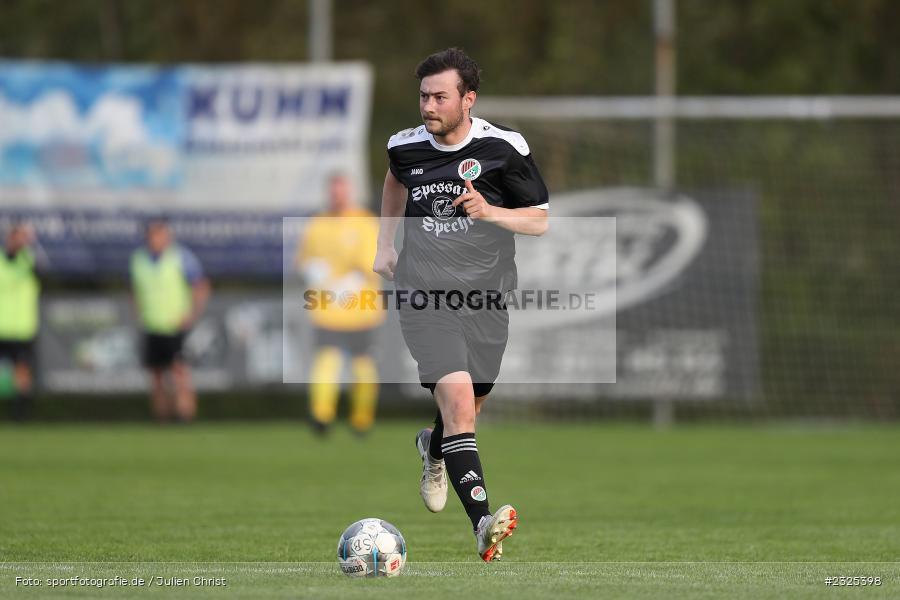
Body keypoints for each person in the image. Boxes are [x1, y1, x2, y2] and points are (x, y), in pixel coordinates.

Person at [373, 48, 549, 561]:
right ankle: (482, 526)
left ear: (467, 100)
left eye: (439, 96)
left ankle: (433, 447)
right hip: (425, 295)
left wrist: (491, 211)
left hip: (488, 299)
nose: (428, 106)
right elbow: (393, 179)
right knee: (459, 408)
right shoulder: (404, 147)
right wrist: (386, 243)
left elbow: (539, 219)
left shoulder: (504, 148)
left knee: (468, 408)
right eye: (423, 95)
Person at [296, 173, 384, 436]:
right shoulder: (317, 223)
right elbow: (303, 260)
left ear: (350, 192)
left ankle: (361, 420)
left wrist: (347, 284)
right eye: (333, 190)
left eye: (342, 190)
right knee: (326, 359)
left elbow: (372, 263)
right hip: (327, 309)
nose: (337, 196)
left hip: (360, 308)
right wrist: (310, 270)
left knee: (362, 364)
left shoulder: (365, 222)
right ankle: (321, 416)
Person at [130, 218, 210, 423]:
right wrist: (138, 313)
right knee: (156, 375)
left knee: (179, 372)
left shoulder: (180, 257)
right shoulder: (138, 259)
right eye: (152, 234)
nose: (155, 238)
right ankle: (161, 418)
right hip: (151, 324)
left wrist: (191, 315)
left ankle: (185, 417)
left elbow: (201, 286)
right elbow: (135, 291)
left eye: (159, 234)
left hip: (175, 325)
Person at [0, 221, 40, 421]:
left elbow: (38, 271)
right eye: (14, 236)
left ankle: (20, 414)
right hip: (1, 326)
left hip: (23, 327)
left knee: (22, 371)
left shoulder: (30, 260)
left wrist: (28, 245)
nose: (17, 241)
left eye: (21, 237)